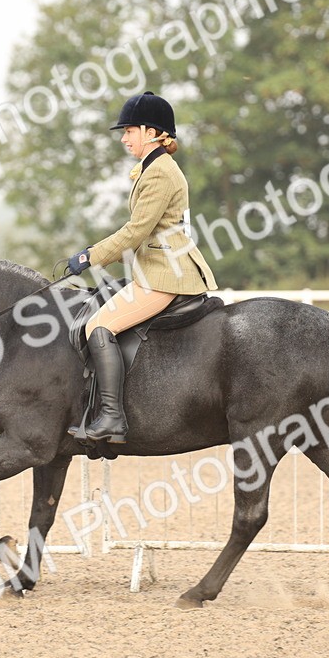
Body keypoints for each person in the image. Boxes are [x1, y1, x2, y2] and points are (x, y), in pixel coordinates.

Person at [67, 91, 218, 443]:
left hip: (164, 274)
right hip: (156, 267)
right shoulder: (153, 167)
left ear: (151, 132)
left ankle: (111, 418)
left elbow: (136, 230)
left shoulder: (160, 173)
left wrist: (90, 256)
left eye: (129, 131)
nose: (124, 138)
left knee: (98, 326)